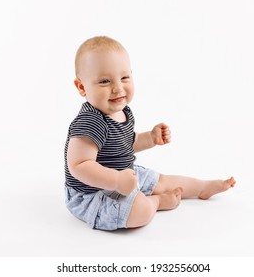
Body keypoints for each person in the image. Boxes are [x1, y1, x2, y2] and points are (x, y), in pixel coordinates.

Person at [64, 36, 236, 231]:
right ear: (81, 87)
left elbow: (127, 142)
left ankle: (202, 187)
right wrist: (116, 181)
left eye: (125, 78)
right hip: (92, 193)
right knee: (140, 211)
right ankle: (156, 202)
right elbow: (79, 165)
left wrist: (150, 138)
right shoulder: (90, 122)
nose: (118, 88)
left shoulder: (122, 111)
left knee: (163, 180)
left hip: (123, 176)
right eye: (104, 81)